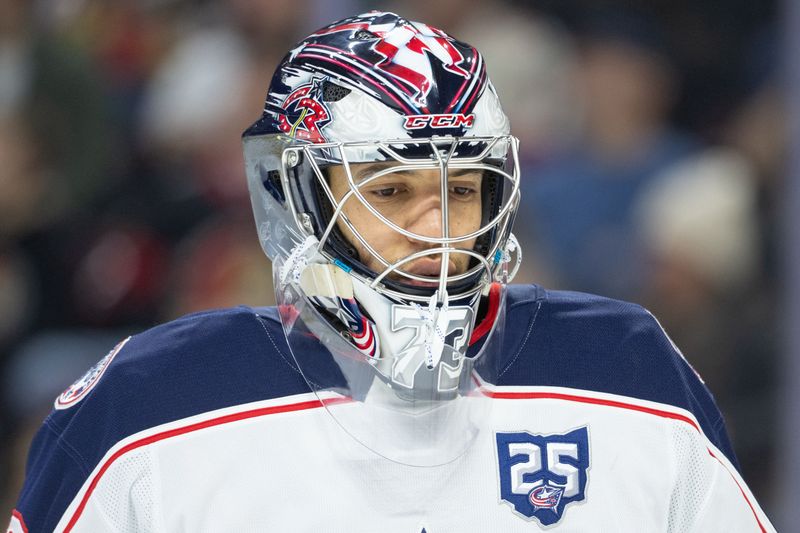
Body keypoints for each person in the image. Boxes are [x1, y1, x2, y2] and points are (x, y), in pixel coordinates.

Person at [7, 11, 774, 532]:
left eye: (462, 188)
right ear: (298, 196)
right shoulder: (146, 408)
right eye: (392, 190)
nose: (435, 228)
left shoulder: (631, 375)